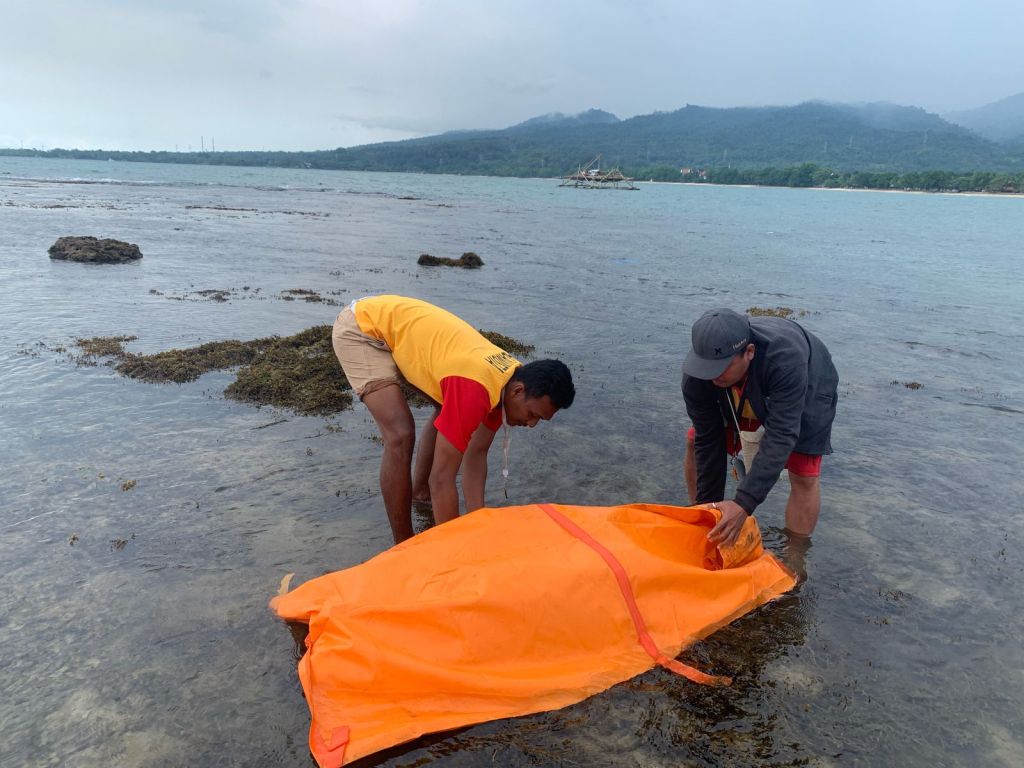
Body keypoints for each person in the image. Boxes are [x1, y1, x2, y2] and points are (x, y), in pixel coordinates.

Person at [332, 295, 575, 543]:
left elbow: (476, 453)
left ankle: (419, 493)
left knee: (447, 411)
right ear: (518, 392)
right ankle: (404, 544)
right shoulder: (476, 389)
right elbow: (442, 478)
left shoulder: (509, 381)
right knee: (400, 434)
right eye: (532, 415)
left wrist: (478, 523)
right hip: (363, 328)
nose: (531, 424)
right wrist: (455, 548)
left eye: (539, 420)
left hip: (400, 328)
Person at [682, 308, 838, 547]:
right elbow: (709, 438)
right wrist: (709, 509)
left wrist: (743, 504)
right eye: (706, 367)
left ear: (749, 352)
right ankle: (700, 519)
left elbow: (782, 435)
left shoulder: (785, 359)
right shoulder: (699, 372)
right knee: (695, 441)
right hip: (749, 381)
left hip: (808, 379)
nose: (712, 376)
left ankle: (795, 555)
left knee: (803, 471)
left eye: (721, 367)